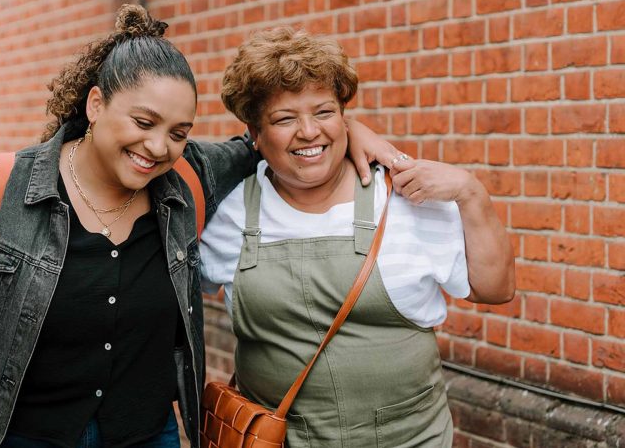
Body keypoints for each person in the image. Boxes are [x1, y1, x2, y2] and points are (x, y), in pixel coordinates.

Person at [0, 6, 400, 448]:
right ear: (95, 105)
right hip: (16, 435)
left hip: (147, 435)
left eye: (179, 132)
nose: (158, 147)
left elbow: (266, 141)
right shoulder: (0, 189)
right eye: (143, 122)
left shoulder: (188, 179)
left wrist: (348, 128)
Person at [200, 27, 515, 447]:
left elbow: (495, 288)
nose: (309, 131)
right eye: (284, 118)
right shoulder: (229, 212)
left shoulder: (405, 198)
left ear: (345, 117)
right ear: (254, 134)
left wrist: (472, 192)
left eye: (324, 112)